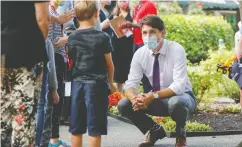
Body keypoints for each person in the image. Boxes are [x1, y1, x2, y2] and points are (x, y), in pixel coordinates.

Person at [117, 15, 196, 147]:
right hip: (156, 99)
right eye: (144, 33)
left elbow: (179, 86)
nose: (148, 36)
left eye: (152, 32)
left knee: (175, 102)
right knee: (124, 104)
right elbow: (130, 85)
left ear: (163, 32)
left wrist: (152, 96)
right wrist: (134, 99)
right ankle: (155, 130)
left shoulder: (176, 49)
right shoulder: (140, 54)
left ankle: (181, 135)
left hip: (182, 98)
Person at [68, 0, 117, 146]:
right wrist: (111, 84)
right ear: (96, 13)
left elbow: (71, 62)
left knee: (76, 128)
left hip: (77, 85)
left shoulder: (72, 38)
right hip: (97, 86)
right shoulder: (102, 37)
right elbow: (109, 64)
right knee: (95, 129)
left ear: (76, 16)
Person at [1, 1, 49, 147]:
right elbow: (42, 20)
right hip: (28, 52)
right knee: (24, 116)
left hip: (2, 50)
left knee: (3, 114)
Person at [47, 0, 70, 146]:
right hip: (53, 59)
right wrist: (67, 38)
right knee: (53, 101)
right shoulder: (48, 12)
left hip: (60, 59)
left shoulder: (55, 12)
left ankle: (54, 139)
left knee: (58, 101)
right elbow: (50, 42)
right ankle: (51, 140)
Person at [122, 0, 157, 93]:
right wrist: (129, 27)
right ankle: (144, 96)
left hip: (146, 42)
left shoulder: (150, 4)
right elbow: (138, 23)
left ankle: (151, 96)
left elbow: (151, 25)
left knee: (148, 72)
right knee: (139, 70)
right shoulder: (138, 5)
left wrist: (132, 24)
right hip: (136, 41)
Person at [35, 39, 59, 147]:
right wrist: (54, 89)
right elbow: (51, 68)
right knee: (41, 105)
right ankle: (38, 143)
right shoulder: (45, 41)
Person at [111, 0, 134, 93]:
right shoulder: (114, 14)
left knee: (127, 69)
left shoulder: (132, 14)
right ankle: (118, 96)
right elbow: (104, 24)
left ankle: (128, 93)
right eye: (121, 1)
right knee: (118, 72)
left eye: (125, 1)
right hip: (116, 46)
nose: (123, 3)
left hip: (128, 44)